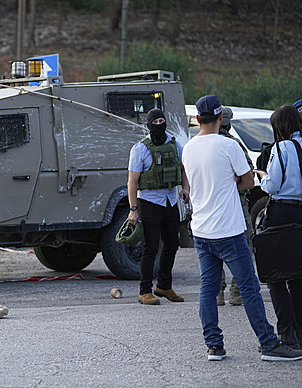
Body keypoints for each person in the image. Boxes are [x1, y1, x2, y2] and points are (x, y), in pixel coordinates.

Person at [182, 94, 302, 361]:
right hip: (228, 229)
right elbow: (248, 182)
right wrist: (230, 182)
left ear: (199, 118)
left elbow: (192, 182)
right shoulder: (228, 146)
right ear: (221, 117)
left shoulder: (188, 148)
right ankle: (269, 344)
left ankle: (214, 345)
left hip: (201, 230)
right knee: (249, 288)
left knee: (208, 288)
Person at [127, 108, 189, 305]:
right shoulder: (140, 148)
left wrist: (185, 189)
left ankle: (164, 286)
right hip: (150, 202)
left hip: (171, 200)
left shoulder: (174, 144)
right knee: (151, 247)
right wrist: (133, 208)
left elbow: (183, 168)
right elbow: (132, 181)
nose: (159, 124)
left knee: (172, 244)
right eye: (155, 121)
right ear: (149, 124)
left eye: (161, 120)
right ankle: (144, 291)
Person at [254, 104, 302, 350]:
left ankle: (286, 333)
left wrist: (262, 177)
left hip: (281, 212)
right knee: (297, 276)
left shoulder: (281, 148)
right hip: (300, 213)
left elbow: (272, 185)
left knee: (276, 276)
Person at [216, 106, 253, 307]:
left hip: (210, 206)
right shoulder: (233, 144)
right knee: (242, 247)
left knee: (213, 249)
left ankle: (217, 293)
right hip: (236, 203)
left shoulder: (199, 144)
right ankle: (236, 292)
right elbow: (249, 177)